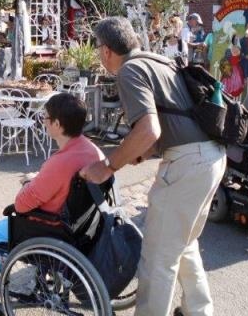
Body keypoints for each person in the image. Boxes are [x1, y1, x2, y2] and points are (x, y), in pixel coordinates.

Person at [80, 17, 226, 316]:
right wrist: (141, 154)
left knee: (158, 258)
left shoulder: (129, 70)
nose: (98, 54)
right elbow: (172, 120)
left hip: (188, 164)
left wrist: (108, 165)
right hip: (211, 157)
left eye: (98, 49)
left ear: (107, 50)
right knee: (184, 244)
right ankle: (199, 310)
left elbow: (149, 129)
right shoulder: (156, 60)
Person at [0, 93, 104, 315]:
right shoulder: (91, 150)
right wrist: (39, 179)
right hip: (77, 223)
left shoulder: (60, 162)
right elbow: (60, 181)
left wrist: (29, 182)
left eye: (45, 118)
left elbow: (22, 205)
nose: (43, 121)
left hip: (49, 226)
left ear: (57, 124)